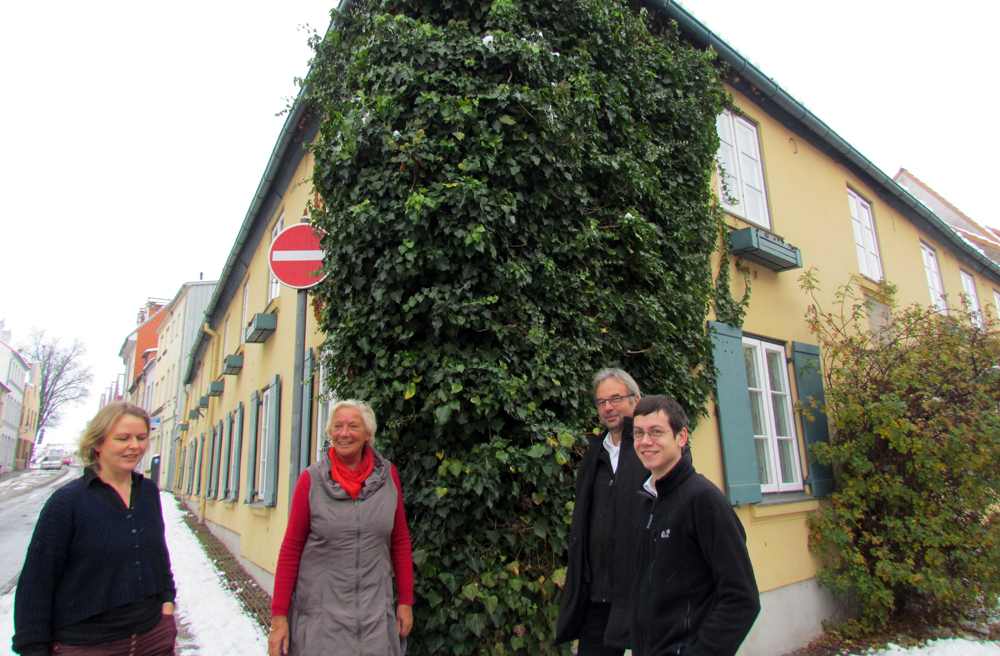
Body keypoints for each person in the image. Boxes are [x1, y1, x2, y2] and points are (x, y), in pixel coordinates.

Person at [12, 401, 177, 656]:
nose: (135, 446)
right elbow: (36, 583)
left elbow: (157, 556)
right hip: (87, 645)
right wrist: (33, 648)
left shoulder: (147, 493)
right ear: (98, 444)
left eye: (141, 437)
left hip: (153, 639)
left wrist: (167, 602)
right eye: (123, 438)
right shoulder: (68, 502)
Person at [268, 400, 414, 656]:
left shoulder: (388, 477)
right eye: (337, 426)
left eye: (353, 426)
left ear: (368, 433)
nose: (344, 433)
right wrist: (279, 617)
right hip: (322, 624)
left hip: (375, 622)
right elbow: (291, 548)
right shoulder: (310, 480)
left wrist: (405, 602)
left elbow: (399, 540)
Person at [630, 395, 760, 656]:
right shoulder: (648, 500)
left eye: (656, 432)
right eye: (638, 433)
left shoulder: (703, 500)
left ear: (681, 437)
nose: (645, 442)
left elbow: (742, 598)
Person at [555, 369, 646, 655]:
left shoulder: (650, 450)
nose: (608, 407)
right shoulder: (595, 454)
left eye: (616, 398)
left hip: (641, 595)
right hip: (598, 598)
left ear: (636, 399)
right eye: (601, 402)